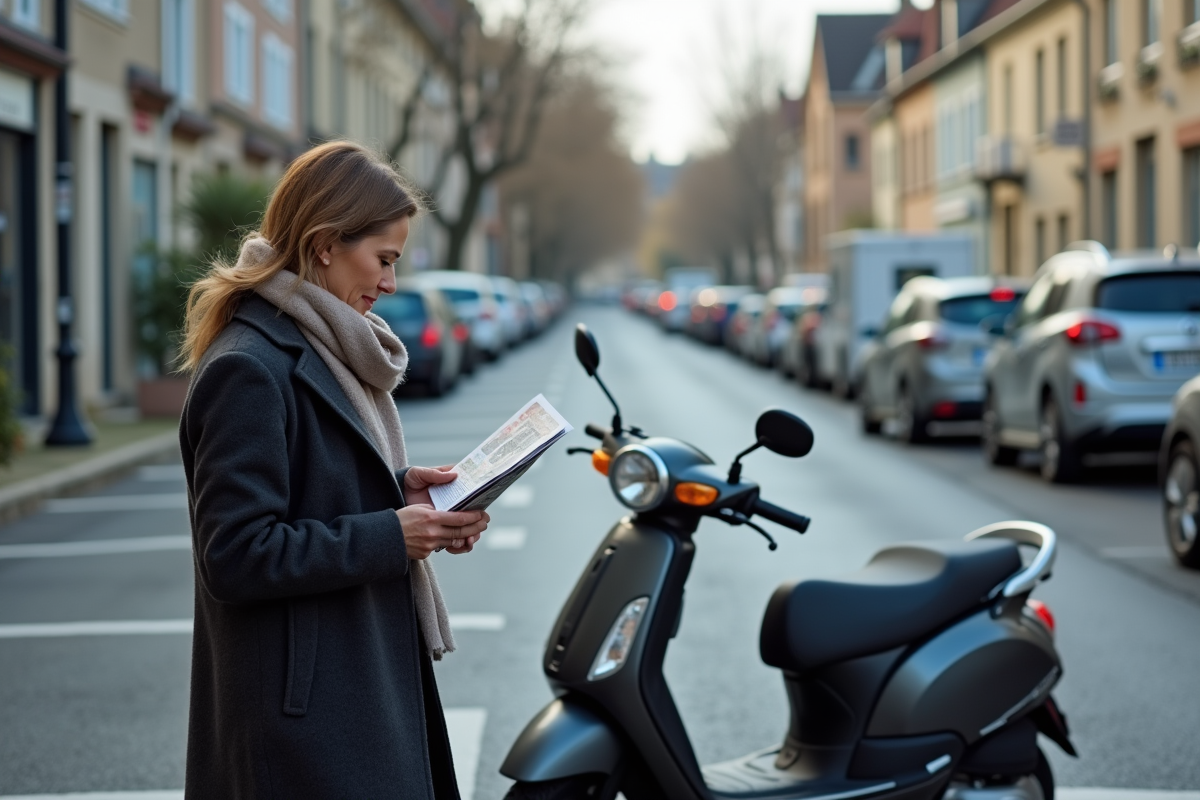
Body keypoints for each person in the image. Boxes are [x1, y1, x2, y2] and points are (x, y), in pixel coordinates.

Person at [177, 140, 488, 798]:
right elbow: (234, 553)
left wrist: (402, 495)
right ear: (324, 245)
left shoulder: (317, 341)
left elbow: (314, 488)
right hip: (303, 728)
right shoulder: (247, 366)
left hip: (346, 696)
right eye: (383, 259)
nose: (390, 283)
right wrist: (391, 535)